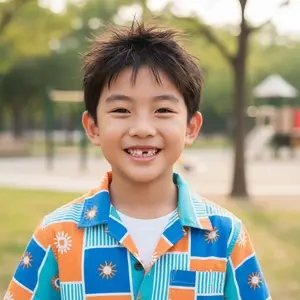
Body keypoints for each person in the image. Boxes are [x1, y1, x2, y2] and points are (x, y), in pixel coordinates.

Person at [5, 21, 271, 300]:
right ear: (93, 127)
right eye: (121, 109)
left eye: (163, 109)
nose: (142, 128)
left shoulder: (226, 238)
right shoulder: (56, 236)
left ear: (191, 127)